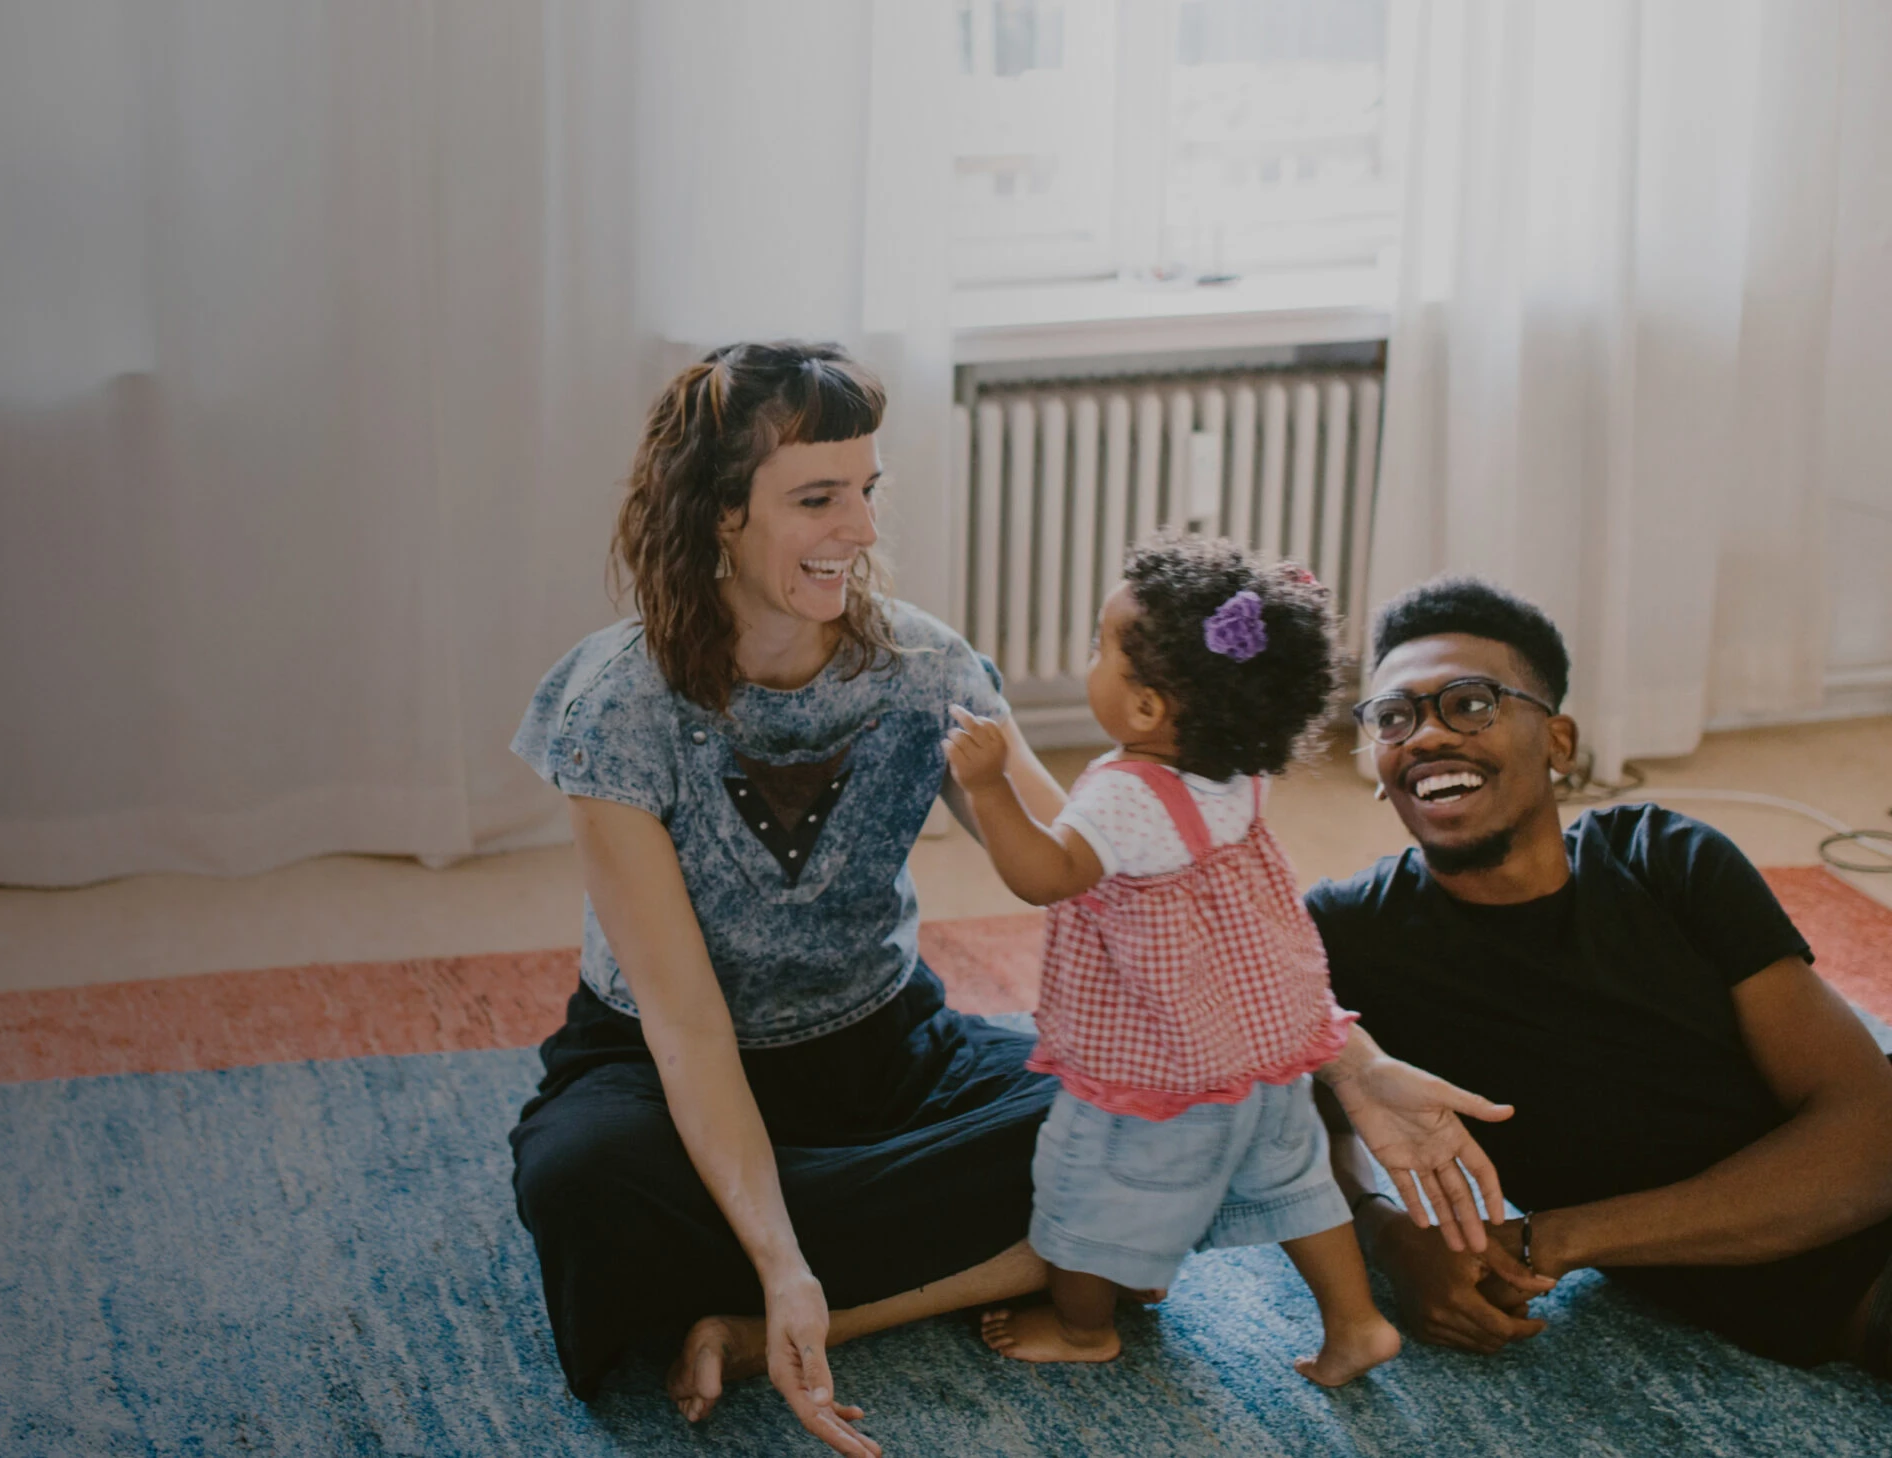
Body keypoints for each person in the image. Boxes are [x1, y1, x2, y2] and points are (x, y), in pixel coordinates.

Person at [507, 342, 1513, 1455]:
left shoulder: (923, 667)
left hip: (885, 1054)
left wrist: (1352, 1064)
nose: (863, 529)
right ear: (716, 514)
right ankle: (808, 1263)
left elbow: (1114, 876)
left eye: (866, 492)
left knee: (1150, 1127)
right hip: (661, 1064)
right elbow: (687, 1026)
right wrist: (781, 1255)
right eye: (816, 498)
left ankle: (781, 1324)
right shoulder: (614, 706)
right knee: (583, 1187)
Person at [1307, 577, 1892, 1376]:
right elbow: (1288, 1133)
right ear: (1378, 763)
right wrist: (1394, 1237)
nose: (1429, 735)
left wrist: (1552, 1237)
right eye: (1395, 717)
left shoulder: (1663, 860)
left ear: (1557, 742)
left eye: (1471, 703)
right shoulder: (1347, 934)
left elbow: (1871, 1136)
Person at [943, 537, 1403, 1386]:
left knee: (1086, 1190)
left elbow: (1045, 877)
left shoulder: (1123, 795)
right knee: (1298, 1185)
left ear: (1150, 708)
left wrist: (990, 787)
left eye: (1100, 648)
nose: (1091, 661)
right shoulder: (1239, 768)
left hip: (1165, 1060)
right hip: (1264, 1046)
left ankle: (1085, 1329)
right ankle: (1357, 1322)